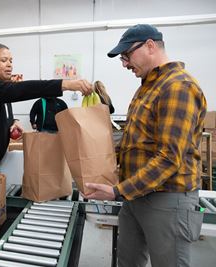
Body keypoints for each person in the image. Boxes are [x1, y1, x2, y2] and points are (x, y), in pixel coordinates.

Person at [84, 24, 207, 267]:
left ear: (150, 46)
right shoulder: (147, 88)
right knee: (128, 261)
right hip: (136, 195)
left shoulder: (177, 86)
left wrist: (117, 191)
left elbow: (169, 158)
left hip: (167, 199)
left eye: (126, 56)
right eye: (122, 58)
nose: (125, 63)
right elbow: (136, 142)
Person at [0, 43, 92, 172]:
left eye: (11, 61)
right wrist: (66, 84)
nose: (9, 65)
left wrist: (10, 123)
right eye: (4, 60)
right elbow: (22, 89)